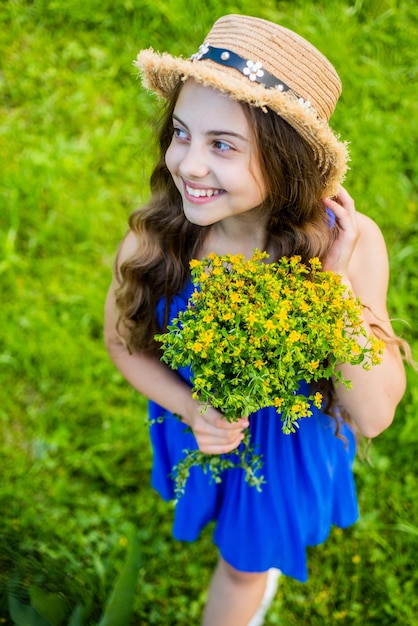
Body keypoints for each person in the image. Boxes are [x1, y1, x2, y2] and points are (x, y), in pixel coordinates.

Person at [104, 14, 407, 626]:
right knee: (217, 514)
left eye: (222, 146)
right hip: (201, 422)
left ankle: (250, 582)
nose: (187, 164)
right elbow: (123, 345)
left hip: (288, 443)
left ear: (286, 161)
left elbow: (373, 413)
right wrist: (191, 409)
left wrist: (333, 287)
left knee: (244, 563)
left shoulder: (345, 248)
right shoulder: (155, 240)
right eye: (182, 133)